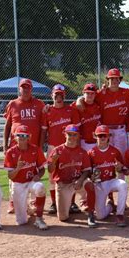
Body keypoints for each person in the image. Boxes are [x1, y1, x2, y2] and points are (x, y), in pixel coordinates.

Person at [3, 78, 46, 214]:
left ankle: (33, 202)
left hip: (33, 147)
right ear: (19, 89)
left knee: (33, 173)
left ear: (31, 89)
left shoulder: (39, 104)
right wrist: (5, 145)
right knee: (15, 174)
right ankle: (12, 202)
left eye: (28, 87)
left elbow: (43, 127)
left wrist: (40, 146)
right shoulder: (13, 104)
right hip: (15, 146)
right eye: (23, 87)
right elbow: (8, 125)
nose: (25, 90)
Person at [41, 84, 81, 215]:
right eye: (56, 95)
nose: (59, 98)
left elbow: (77, 131)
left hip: (69, 147)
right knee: (52, 176)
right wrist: (41, 148)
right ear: (52, 95)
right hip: (53, 147)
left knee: (72, 174)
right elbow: (43, 131)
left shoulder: (71, 111)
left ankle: (72, 202)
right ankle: (53, 203)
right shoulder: (47, 111)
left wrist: (77, 147)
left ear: (64, 96)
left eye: (61, 95)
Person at [47, 125, 97, 227]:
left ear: (78, 136)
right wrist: (53, 162)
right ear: (65, 135)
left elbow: (86, 171)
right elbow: (50, 170)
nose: (72, 137)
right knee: (63, 218)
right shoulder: (57, 150)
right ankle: (67, 205)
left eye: (74, 135)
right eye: (69, 134)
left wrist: (80, 180)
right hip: (63, 184)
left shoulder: (82, 152)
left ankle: (91, 214)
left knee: (90, 185)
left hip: (77, 181)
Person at [4, 125, 48, 230]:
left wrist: (38, 175)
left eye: (25, 135)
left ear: (29, 137)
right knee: (21, 222)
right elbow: (10, 176)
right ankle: (27, 208)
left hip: (31, 182)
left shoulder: (35, 149)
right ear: (15, 137)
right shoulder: (11, 152)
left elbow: (42, 169)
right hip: (18, 183)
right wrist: (18, 168)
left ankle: (39, 219)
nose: (22, 137)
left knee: (40, 187)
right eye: (19, 135)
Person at [87, 125, 129, 227]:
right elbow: (87, 171)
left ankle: (120, 215)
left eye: (104, 136)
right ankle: (110, 205)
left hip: (111, 181)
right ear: (95, 136)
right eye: (100, 135)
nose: (102, 138)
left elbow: (123, 169)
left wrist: (120, 168)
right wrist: (90, 177)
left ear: (109, 136)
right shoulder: (91, 153)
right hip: (99, 184)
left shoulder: (115, 151)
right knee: (100, 216)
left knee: (123, 184)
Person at [76, 83, 102, 152]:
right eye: (87, 93)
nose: (90, 95)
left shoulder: (99, 105)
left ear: (95, 94)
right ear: (83, 93)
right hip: (83, 141)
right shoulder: (77, 106)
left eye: (92, 93)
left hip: (97, 140)